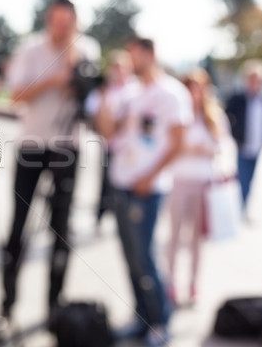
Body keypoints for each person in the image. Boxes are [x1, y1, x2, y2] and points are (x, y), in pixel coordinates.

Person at [1, 0, 100, 322]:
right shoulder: (31, 49)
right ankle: (8, 303)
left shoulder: (87, 49)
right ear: (48, 21)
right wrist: (52, 80)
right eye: (57, 23)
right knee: (19, 225)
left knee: (61, 229)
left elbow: (91, 95)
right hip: (32, 144)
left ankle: (55, 307)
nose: (61, 29)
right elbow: (15, 95)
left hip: (67, 146)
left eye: (67, 24)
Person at [97, 37, 192, 346]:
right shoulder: (130, 93)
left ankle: (161, 322)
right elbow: (108, 131)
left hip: (146, 189)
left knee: (146, 258)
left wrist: (149, 177)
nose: (130, 61)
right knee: (130, 257)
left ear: (149, 54)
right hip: (122, 183)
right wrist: (104, 95)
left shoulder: (171, 92)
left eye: (134, 54)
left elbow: (178, 143)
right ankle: (141, 318)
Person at [166, 68, 230, 306]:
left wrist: (203, 149)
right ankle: (170, 281)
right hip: (179, 180)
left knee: (196, 238)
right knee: (174, 235)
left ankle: (193, 283)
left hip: (204, 182)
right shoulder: (178, 114)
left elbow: (220, 145)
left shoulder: (213, 115)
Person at [87, 49, 134, 231]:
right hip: (109, 145)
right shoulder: (104, 90)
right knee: (106, 181)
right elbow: (94, 112)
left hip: (128, 148)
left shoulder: (134, 89)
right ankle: (101, 214)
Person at [225, 58, 262, 209]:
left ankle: (242, 207)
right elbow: (226, 117)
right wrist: (234, 135)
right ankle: (239, 209)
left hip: (258, 146)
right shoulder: (238, 99)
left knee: (251, 179)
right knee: (242, 178)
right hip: (243, 145)